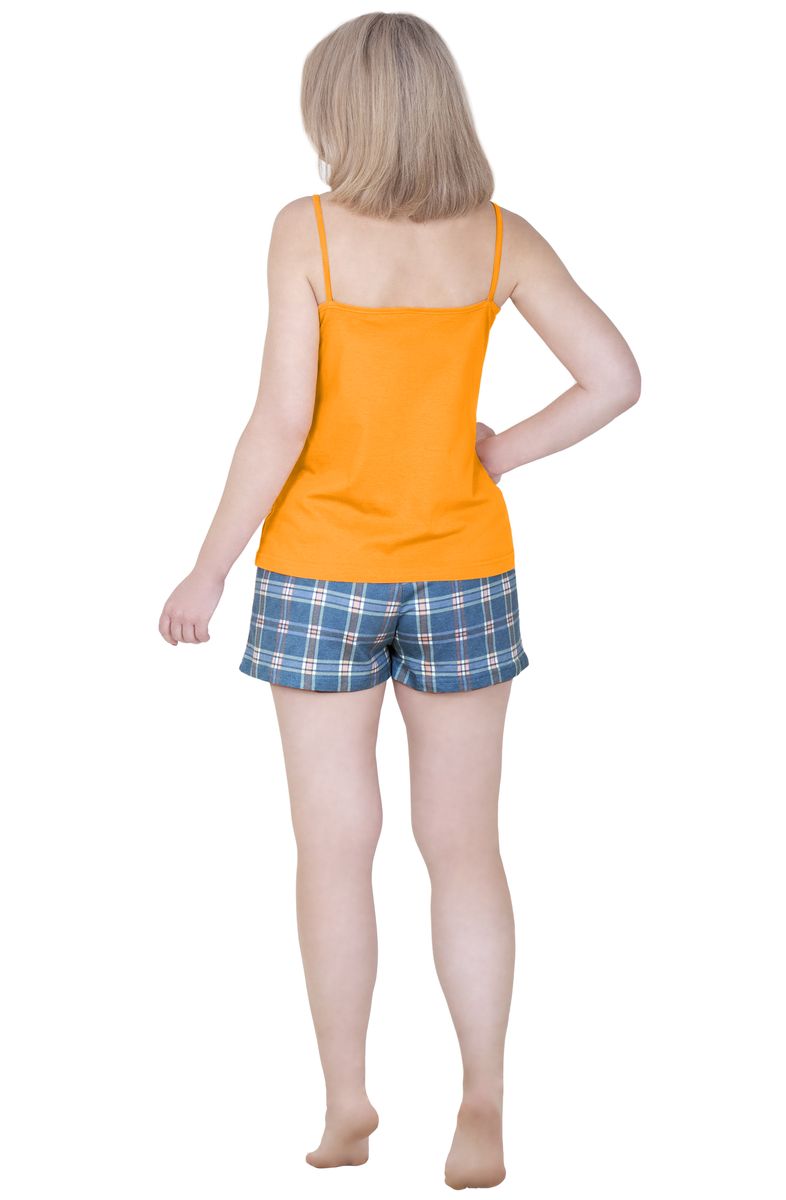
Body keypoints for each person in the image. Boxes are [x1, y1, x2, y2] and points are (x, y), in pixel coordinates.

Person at [158, 11, 641, 1190]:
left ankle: (346, 1102)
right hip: (464, 570)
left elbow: (280, 423)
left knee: (335, 850)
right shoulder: (499, 237)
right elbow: (615, 378)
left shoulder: (308, 230)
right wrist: (497, 455)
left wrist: (209, 567)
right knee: (464, 847)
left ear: (342, 115)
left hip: (320, 573)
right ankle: (482, 1100)